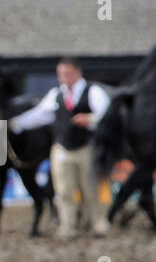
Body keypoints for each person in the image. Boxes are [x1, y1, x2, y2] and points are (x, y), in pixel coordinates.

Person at [10, 57, 112, 237]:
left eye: (67, 73)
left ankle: (97, 223)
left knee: (90, 187)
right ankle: (68, 227)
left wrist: (90, 119)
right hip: (62, 148)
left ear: (77, 72)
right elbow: (40, 115)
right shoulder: (56, 94)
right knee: (64, 190)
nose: (63, 77)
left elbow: (108, 115)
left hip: (86, 146)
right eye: (60, 73)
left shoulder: (93, 91)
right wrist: (14, 124)